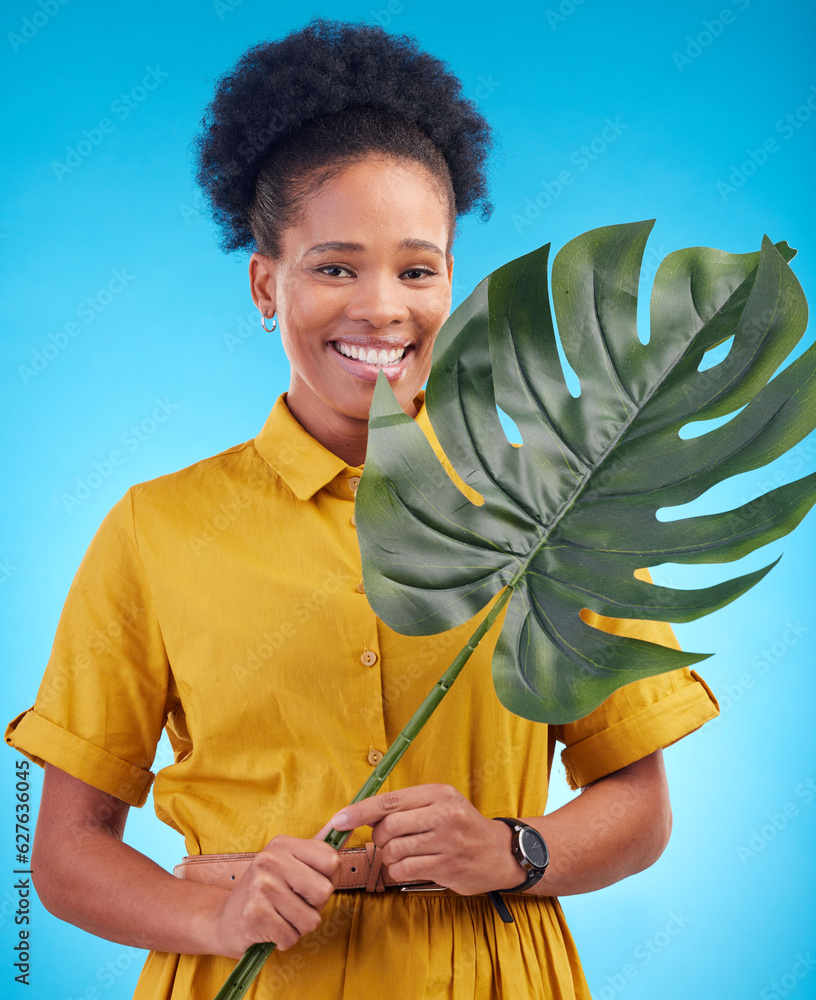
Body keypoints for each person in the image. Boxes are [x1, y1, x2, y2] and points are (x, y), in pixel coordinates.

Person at [5, 17, 719, 1000]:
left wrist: (516, 846)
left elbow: (640, 806)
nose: (383, 308)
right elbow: (63, 853)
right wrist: (218, 910)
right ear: (267, 284)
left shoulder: (554, 503)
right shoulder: (154, 530)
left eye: (417, 269)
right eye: (336, 266)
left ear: (452, 282)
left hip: (493, 977)